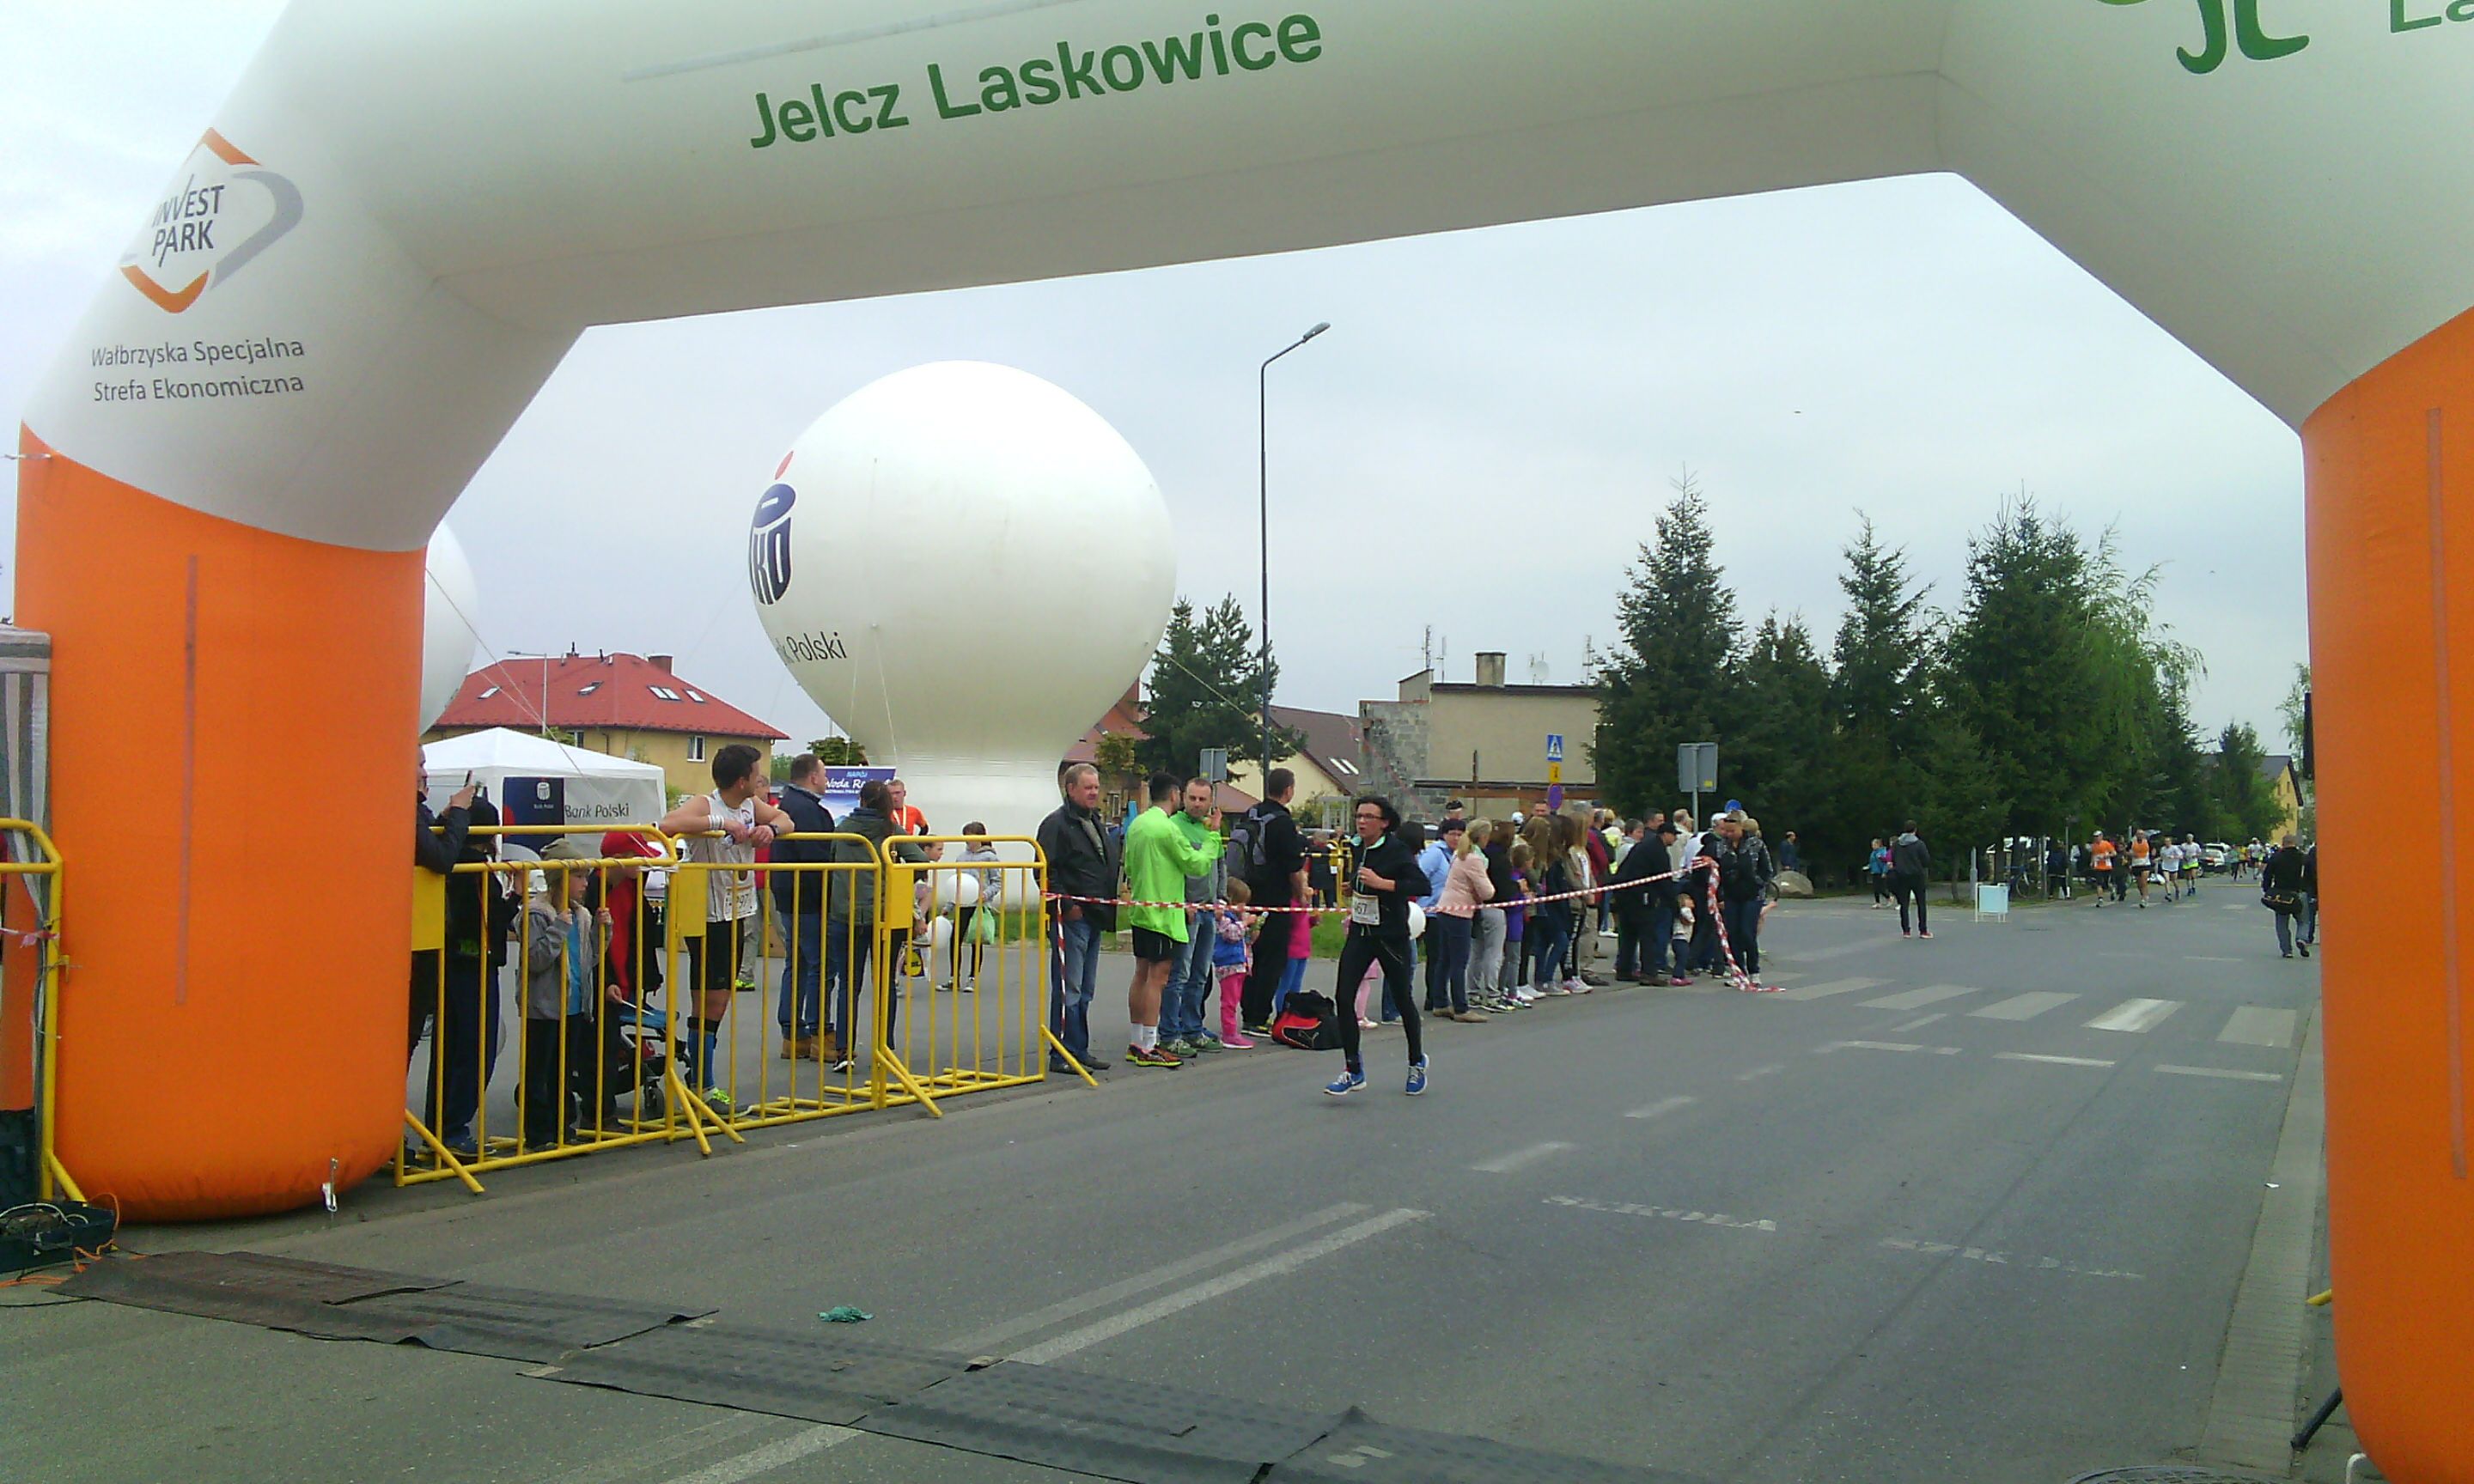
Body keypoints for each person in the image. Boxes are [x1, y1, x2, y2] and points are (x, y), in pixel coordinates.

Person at [658, 745, 795, 1110]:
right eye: (756, 774)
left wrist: (770, 830)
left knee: (720, 999)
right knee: (710, 999)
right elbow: (668, 824)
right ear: (741, 780)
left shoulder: (751, 805)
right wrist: (720, 824)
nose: (761, 780)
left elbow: (787, 819)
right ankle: (701, 1083)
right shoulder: (707, 804)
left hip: (739, 909)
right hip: (708, 913)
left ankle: (700, 1077)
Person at [417, 797, 515, 1159]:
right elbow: (490, 920)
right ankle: (453, 1129)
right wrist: (515, 898)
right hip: (474, 964)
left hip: (449, 961)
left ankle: (438, 1127)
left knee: (447, 1050)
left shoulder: (445, 863)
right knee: (475, 1050)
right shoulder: (476, 871)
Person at [820, 779, 929, 1073]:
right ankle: (885, 1048)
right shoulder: (891, 831)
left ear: (861, 800)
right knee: (884, 982)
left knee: (848, 984)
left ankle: (844, 1050)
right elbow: (920, 860)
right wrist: (897, 876)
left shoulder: (843, 829)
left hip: (845, 913)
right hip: (884, 914)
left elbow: (831, 860)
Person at [1325, 796, 1429, 1097]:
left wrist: (1384, 883)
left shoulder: (1397, 850)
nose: (1361, 821)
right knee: (1343, 997)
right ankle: (1353, 1069)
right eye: (1359, 815)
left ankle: (1416, 1061)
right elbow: (1364, 879)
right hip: (1361, 931)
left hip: (1390, 935)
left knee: (1402, 999)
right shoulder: (1357, 846)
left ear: (1384, 822)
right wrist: (1355, 887)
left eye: (1369, 816)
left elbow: (1421, 886)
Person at [1120, 772, 1222, 1067]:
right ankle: (1149, 1044)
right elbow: (1197, 864)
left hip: (1141, 908)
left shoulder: (1138, 824)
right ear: (1176, 794)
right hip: (1163, 913)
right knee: (1158, 978)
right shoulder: (1167, 828)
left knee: (1141, 974)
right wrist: (1214, 836)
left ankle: (1137, 1039)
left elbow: (1128, 866)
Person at [520, 842, 607, 1150]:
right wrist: (558, 929)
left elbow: (589, 959)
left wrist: (603, 932)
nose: (586, 884)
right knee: (540, 1071)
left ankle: (563, 1128)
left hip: (574, 1005)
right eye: (579, 877)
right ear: (561, 878)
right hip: (544, 1007)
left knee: (564, 1071)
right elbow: (535, 960)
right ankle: (538, 1133)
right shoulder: (537, 913)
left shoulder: (581, 915)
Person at [1037, 763, 1118, 1073]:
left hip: (1095, 914)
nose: (1094, 793)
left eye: (1096, 787)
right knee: (1068, 985)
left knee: (1086, 987)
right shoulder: (1057, 825)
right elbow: (1045, 869)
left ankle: (1078, 1048)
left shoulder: (1093, 821)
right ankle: (1062, 1052)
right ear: (1070, 789)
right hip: (1072, 917)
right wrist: (1067, 904)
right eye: (1088, 788)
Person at [768, 754, 837, 1061]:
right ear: (812, 777)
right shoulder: (807, 810)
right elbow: (817, 855)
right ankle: (819, 1031)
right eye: (824, 774)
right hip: (809, 897)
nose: (827, 780)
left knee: (797, 963)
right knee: (819, 964)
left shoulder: (789, 803)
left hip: (790, 893)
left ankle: (793, 1033)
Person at [1234, 768, 1310, 1036]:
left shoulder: (1251, 813)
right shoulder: (1282, 822)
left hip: (1247, 894)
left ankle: (1247, 1012)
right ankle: (1258, 1016)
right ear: (1289, 790)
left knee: (1252, 957)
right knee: (1272, 960)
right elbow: (1293, 866)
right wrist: (1301, 895)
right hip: (1275, 899)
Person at [1161, 778, 1224, 1056]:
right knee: (1180, 974)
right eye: (1192, 798)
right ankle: (1170, 1031)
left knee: (1200, 974)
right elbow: (1175, 868)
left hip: (1209, 910)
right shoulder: (1174, 826)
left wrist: (1221, 898)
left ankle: (1193, 1027)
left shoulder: (1212, 828)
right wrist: (1181, 902)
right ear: (1183, 798)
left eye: (1202, 799)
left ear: (1211, 802)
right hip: (1187, 910)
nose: (1197, 804)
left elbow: (1219, 864)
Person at [1432, 817, 1493, 1023]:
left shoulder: (1459, 855)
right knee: (1459, 961)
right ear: (1483, 837)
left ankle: (1440, 1002)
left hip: (1445, 907)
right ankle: (1461, 1007)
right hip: (1460, 912)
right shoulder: (1474, 859)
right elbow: (1487, 891)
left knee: (1445, 959)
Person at [1717, 812, 1775, 980]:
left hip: (1752, 895)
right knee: (1733, 933)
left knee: (1747, 932)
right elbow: (1717, 869)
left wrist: (1758, 883)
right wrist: (1721, 893)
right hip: (1731, 895)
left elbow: (1767, 870)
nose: (1729, 835)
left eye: (1732, 831)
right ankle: (1738, 971)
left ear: (1741, 828)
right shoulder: (1722, 845)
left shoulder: (1756, 844)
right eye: (1726, 831)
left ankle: (1754, 971)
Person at [1522, 814, 1575, 995]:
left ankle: (1540, 979)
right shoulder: (1547, 859)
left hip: (1546, 904)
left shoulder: (1551, 856)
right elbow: (1549, 883)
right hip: (1550, 905)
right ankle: (1546, 978)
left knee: (1543, 943)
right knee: (1560, 941)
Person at [948, 824, 1001, 993]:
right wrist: (950, 904)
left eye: (971, 837)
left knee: (976, 940)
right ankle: (954, 977)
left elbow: (997, 882)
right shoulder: (961, 857)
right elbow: (957, 883)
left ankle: (973, 977)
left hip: (979, 905)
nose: (968, 841)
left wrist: (986, 895)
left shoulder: (990, 858)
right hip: (962, 903)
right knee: (955, 939)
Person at [1471, 818, 1513, 1012]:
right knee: (1494, 953)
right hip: (1495, 907)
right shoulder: (1499, 860)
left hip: (1476, 909)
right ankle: (1492, 993)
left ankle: (1472, 992)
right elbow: (1502, 889)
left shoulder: (1474, 854)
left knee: (1477, 952)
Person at [1212, 879, 1258, 1048]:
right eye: (1241, 903)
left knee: (1235, 999)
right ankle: (1229, 1034)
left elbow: (1245, 940)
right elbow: (1231, 934)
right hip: (1228, 964)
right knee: (1229, 1002)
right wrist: (1244, 923)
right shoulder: (1224, 918)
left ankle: (1232, 1031)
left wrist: (1252, 930)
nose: (1244, 907)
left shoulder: (1235, 918)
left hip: (1240, 964)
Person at [1417, 818, 1456, 1013]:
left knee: (1438, 957)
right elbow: (1420, 875)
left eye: (1460, 834)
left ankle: (1434, 997)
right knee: (1434, 956)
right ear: (1443, 834)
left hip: (1443, 911)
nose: (1456, 838)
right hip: (1427, 910)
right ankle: (1433, 997)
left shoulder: (1454, 855)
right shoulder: (1435, 853)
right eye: (1452, 834)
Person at [2261, 830, 2311, 958]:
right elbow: (2310, 875)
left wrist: (2267, 889)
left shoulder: (2276, 857)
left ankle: (2287, 950)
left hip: (2281, 895)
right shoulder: (2303, 858)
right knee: (2304, 921)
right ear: (2295, 843)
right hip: (2299, 893)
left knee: (2282, 924)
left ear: (2283, 844)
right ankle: (2302, 938)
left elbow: (2267, 875)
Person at [1889, 820, 1932, 939]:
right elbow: (1926, 860)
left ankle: (1906, 931)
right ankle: (1923, 931)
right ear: (1915, 830)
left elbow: (1893, 858)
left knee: (1904, 904)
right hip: (1917, 875)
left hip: (1901, 876)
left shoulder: (1897, 844)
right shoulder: (1919, 844)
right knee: (1921, 903)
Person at [2091, 830, 2116, 905]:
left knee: (2107, 884)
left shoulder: (2106, 844)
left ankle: (2112, 890)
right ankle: (2100, 899)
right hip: (2098, 867)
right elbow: (2093, 855)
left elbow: (2114, 853)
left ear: (2101, 836)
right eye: (2095, 837)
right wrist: (2092, 862)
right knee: (2099, 883)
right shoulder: (2094, 846)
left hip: (2107, 867)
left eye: (2098, 836)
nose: (2096, 838)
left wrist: (2106, 856)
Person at [1867, 837, 1892, 907]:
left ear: (1879, 845)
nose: (1873, 846)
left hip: (1880, 871)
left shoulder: (1882, 852)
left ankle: (1888, 897)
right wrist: (1869, 866)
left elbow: (1885, 863)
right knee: (1875, 888)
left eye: (1874, 845)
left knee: (1881, 888)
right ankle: (1877, 903)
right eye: (1872, 845)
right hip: (1874, 871)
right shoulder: (1873, 853)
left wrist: (1884, 872)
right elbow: (1872, 862)